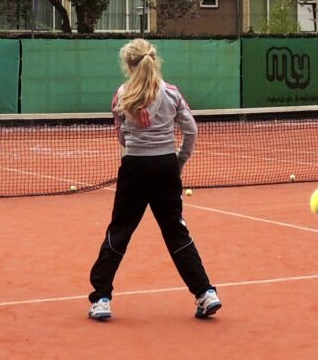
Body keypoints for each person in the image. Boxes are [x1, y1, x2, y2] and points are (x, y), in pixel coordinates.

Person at [87, 39, 220, 321]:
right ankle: (205, 293)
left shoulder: (122, 94)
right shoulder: (172, 93)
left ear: (128, 65)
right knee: (176, 231)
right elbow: (191, 130)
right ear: (155, 60)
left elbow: (122, 137)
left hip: (135, 167)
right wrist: (178, 162)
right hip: (166, 167)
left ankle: (101, 299)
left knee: (120, 230)